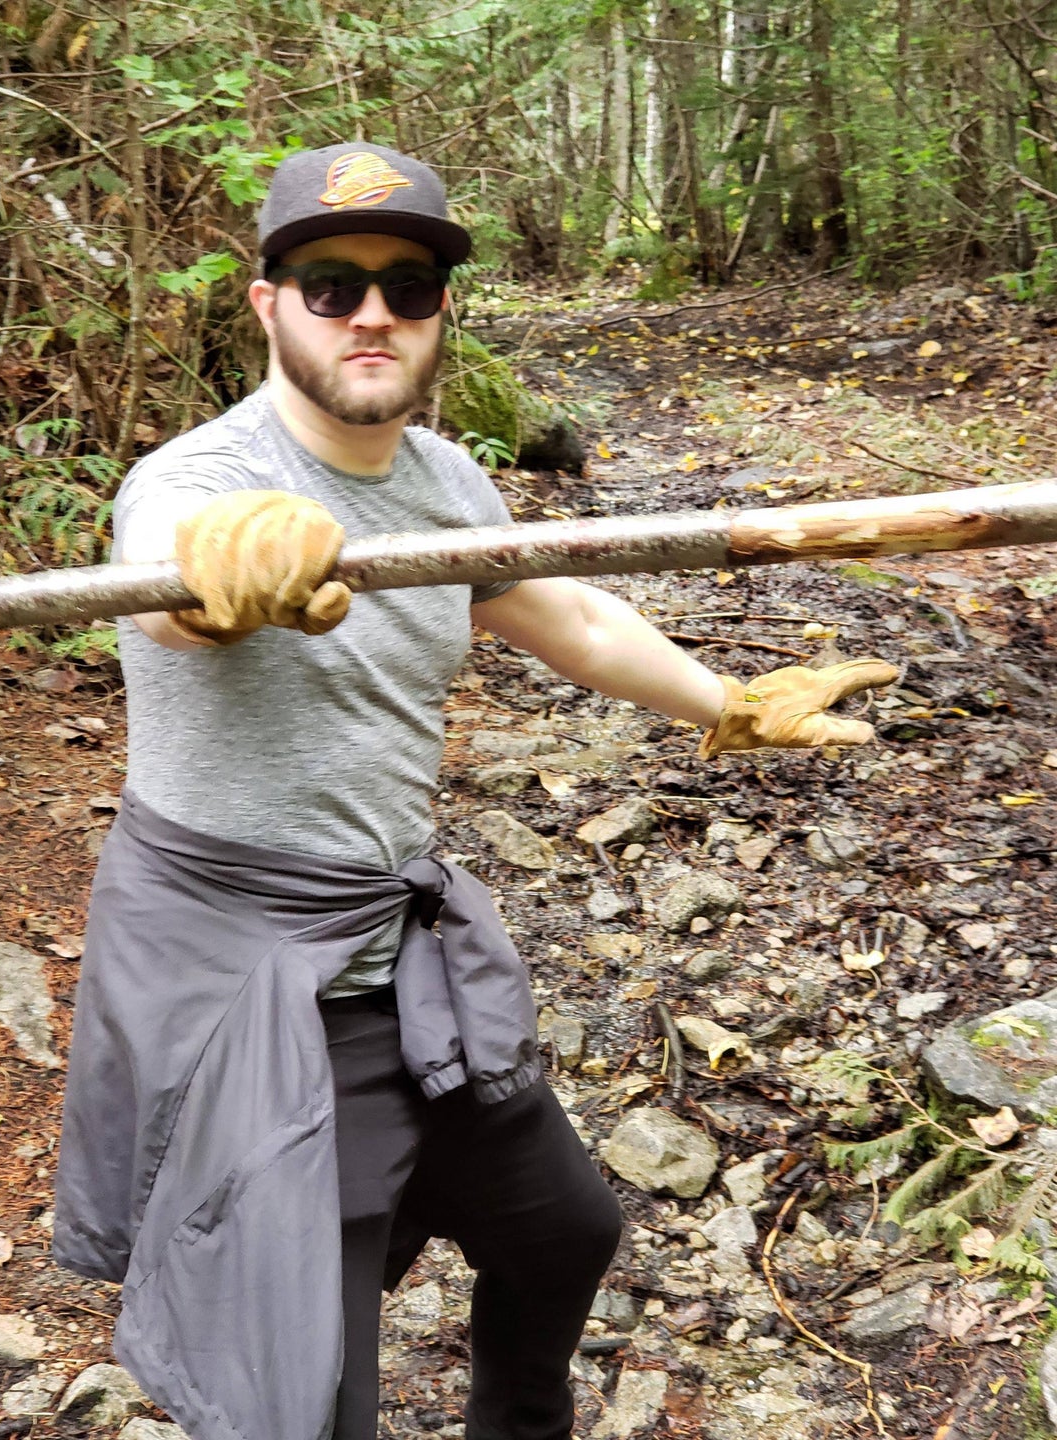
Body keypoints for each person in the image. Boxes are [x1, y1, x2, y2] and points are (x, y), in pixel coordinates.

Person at [52, 142, 895, 1440]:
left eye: (409, 284)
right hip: (250, 992)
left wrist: (726, 700)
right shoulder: (196, 487)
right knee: (301, 1395)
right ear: (269, 304)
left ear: (445, 309)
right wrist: (216, 580)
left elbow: (559, 611)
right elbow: (170, 588)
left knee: (564, 1230)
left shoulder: (446, 483)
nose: (372, 311)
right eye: (329, 283)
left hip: (403, 962)